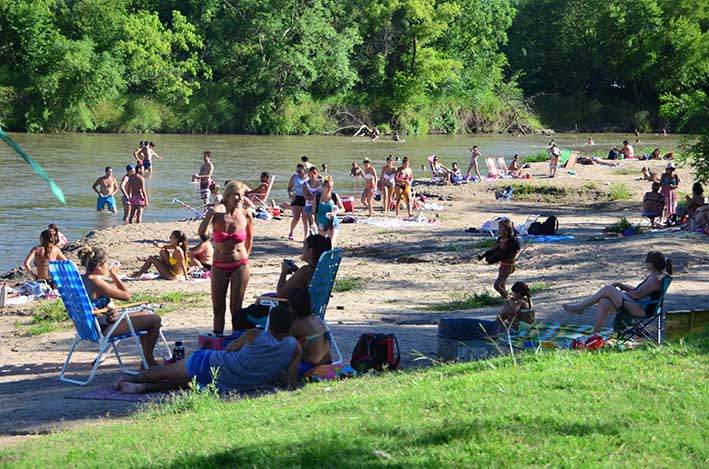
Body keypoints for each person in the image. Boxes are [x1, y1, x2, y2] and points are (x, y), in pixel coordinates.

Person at [114, 305, 301, 394]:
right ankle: (142, 387)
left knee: (169, 372)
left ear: (270, 324)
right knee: (187, 382)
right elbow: (291, 382)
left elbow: (230, 349)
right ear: (290, 325)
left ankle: (135, 379)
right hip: (236, 382)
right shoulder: (294, 347)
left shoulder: (255, 335)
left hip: (213, 363)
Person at [79, 246, 163, 367]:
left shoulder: (82, 279)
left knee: (146, 315)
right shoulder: (96, 282)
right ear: (98, 267)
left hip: (89, 326)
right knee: (155, 320)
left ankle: (146, 361)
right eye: (106, 264)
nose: (107, 267)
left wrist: (103, 312)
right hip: (104, 327)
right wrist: (113, 274)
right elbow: (126, 295)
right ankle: (148, 361)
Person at [233, 235, 332, 331]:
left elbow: (281, 293)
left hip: (287, 312)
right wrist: (297, 272)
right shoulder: (320, 270)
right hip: (307, 310)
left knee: (240, 316)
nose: (302, 250)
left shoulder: (306, 270)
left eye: (304, 247)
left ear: (311, 251)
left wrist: (284, 272)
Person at [563, 252, 672, 333]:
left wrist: (618, 294)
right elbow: (639, 291)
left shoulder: (655, 279)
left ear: (652, 264)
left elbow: (637, 294)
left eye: (647, 261)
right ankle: (595, 333)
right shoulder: (658, 277)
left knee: (607, 289)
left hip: (642, 309)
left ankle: (579, 308)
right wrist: (621, 286)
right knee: (604, 302)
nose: (645, 263)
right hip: (641, 305)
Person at [199, 181, 253, 335]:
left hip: (240, 265)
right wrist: (210, 214)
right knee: (218, 308)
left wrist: (245, 260)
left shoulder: (246, 214)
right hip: (219, 265)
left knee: (236, 307)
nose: (240, 198)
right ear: (228, 195)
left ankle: (237, 339)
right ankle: (218, 338)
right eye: (237, 194)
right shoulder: (217, 215)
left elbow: (249, 240)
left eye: (242, 195)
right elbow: (202, 234)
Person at [287, 288, 331, 373]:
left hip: (310, 368)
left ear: (291, 306)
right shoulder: (316, 318)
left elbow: (279, 341)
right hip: (327, 365)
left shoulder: (297, 325)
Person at [478, 219, 520, 298]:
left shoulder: (512, 240)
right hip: (503, 265)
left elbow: (515, 249)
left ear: (507, 228)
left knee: (497, 285)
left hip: (508, 265)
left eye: (501, 228)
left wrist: (505, 248)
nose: (499, 230)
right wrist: (485, 256)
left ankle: (510, 300)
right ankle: (506, 299)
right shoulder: (501, 239)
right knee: (502, 285)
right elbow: (494, 249)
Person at [314, 176, 345, 246]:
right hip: (321, 222)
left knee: (331, 242)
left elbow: (343, 208)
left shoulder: (334, 196)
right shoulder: (317, 197)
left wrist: (335, 212)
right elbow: (314, 211)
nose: (330, 189)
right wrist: (314, 222)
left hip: (333, 222)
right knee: (322, 243)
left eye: (331, 187)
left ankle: (331, 256)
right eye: (328, 186)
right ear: (323, 186)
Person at [287, 164, 310, 241]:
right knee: (296, 218)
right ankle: (291, 232)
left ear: (304, 170)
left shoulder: (308, 177)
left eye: (300, 171)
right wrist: (290, 195)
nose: (298, 172)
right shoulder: (294, 177)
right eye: (297, 171)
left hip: (306, 198)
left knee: (305, 218)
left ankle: (306, 236)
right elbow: (289, 188)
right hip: (297, 197)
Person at [303, 166, 323, 233]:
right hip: (309, 204)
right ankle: (312, 236)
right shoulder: (305, 184)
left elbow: (325, 194)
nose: (312, 175)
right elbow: (305, 196)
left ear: (317, 174)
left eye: (314, 173)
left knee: (318, 221)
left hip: (318, 204)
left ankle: (319, 235)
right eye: (311, 173)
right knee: (311, 221)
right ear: (308, 174)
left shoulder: (321, 183)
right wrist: (315, 198)